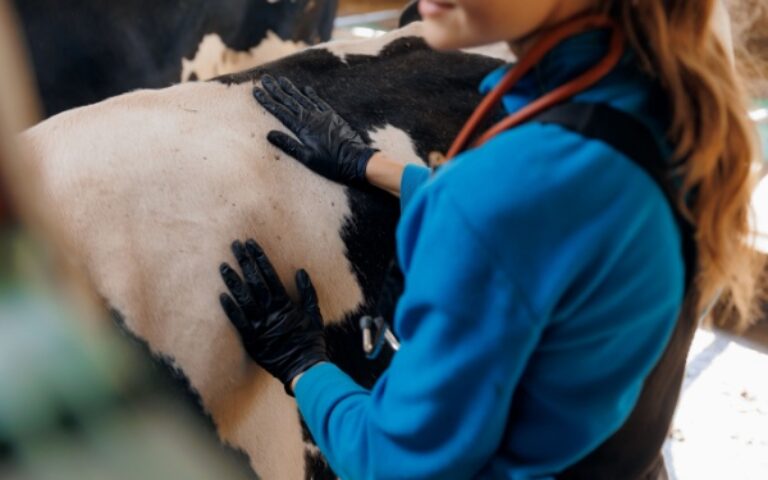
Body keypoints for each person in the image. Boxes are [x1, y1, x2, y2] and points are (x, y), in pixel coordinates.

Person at [217, 0, 765, 478]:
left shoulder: (502, 197)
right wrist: (374, 165)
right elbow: (556, 228)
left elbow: (394, 466)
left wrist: (304, 367)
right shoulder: (659, 105)